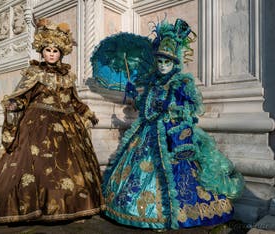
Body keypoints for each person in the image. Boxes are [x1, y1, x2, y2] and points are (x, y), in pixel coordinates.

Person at [102, 18, 244, 230]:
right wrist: (134, 94)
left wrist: (176, 115)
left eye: (167, 62)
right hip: (147, 133)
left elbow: (190, 112)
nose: (162, 66)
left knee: (180, 174)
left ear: (174, 62)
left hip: (171, 135)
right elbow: (147, 108)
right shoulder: (153, 83)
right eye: (159, 61)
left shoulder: (180, 83)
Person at [0, 18, 104, 223]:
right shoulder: (34, 73)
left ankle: (71, 208)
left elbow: (73, 100)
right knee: (33, 165)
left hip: (68, 127)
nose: (51, 54)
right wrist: (13, 105)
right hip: (38, 125)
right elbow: (21, 96)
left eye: (55, 51)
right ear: (41, 52)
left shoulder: (68, 76)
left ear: (61, 53)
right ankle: (33, 209)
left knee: (69, 167)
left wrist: (87, 112)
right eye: (48, 50)